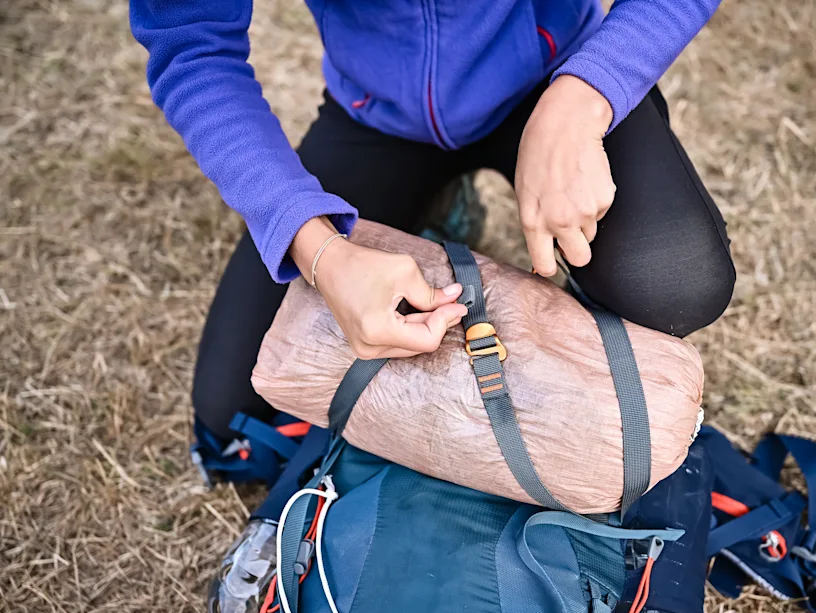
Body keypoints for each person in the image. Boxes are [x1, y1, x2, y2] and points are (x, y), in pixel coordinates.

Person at [131, 0, 735, 440]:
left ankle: (534, 137)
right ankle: (435, 207)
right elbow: (192, 46)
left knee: (674, 282)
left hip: (552, 84)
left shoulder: (570, 96)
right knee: (234, 411)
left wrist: (584, 98)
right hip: (378, 116)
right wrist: (318, 249)